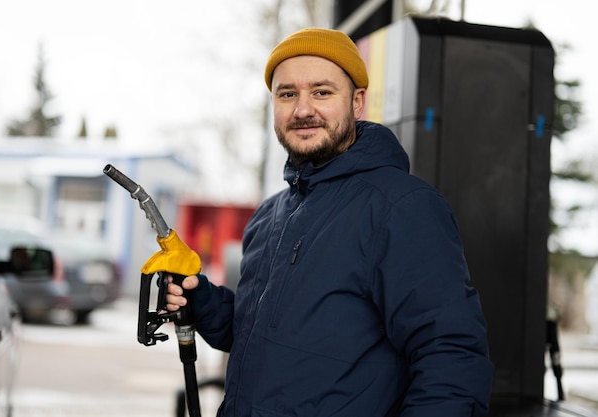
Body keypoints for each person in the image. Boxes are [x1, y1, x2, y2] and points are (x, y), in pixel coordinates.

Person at [162, 27, 494, 417]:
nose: (303, 110)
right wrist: (202, 302)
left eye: (321, 92)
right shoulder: (269, 217)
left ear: (356, 102)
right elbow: (264, 341)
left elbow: (451, 358)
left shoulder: (403, 208)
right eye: (288, 94)